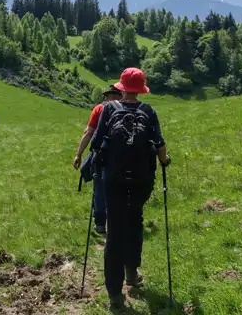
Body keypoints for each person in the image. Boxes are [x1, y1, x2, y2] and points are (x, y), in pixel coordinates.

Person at [90, 67, 171, 311]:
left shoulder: (107, 109)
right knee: (135, 222)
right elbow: (159, 145)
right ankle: (131, 273)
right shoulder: (149, 111)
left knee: (114, 232)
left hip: (113, 180)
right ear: (141, 89)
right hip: (140, 181)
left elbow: (96, 144)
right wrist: (165, 161)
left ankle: (114, 294)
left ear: (122, 88)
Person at [72, 85, 122, 234]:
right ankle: (118, 222)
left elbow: (89, 133)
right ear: (120, 95)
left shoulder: (99, 109)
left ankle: (100, 223)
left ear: (107, 96)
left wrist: (79, 154)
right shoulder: (129, 109)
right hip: (123, 156)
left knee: (99, 189)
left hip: (101, 155)